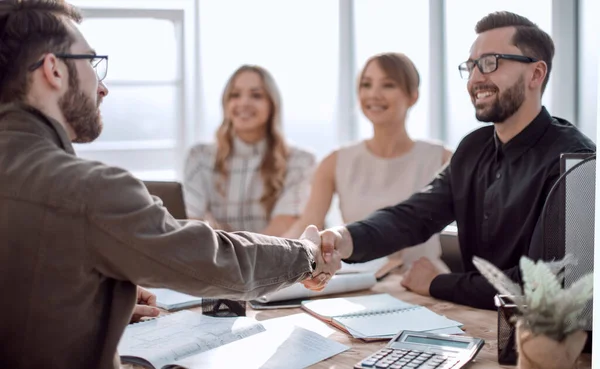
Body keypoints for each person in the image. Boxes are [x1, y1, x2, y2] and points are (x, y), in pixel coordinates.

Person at [0, 2, 340, 369]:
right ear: (53, 70)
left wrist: (93, 306)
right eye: (91, 63)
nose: (103, 87)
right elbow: (214, 259)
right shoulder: (89, 190)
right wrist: (306, 253)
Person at [314, 11, 595, 310]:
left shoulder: (576, 163)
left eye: (490, 63)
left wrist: (436, 282)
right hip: (477, 323)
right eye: (471, 66)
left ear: (535, 74)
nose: (475, 78)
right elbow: (413, 216)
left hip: (544, 346)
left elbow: (542, 286)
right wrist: (343, 238)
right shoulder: (473, 148)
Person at [285, 52, 452, 273]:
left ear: (413, 96)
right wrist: (266, 255)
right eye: (366, 84)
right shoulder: (335, 162)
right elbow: (307, 227)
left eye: (388, 85)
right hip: (359, 284)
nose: (374, 94)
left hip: (426, 283)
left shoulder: (443, 158)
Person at [183, 65, 316, 236]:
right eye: (235, 95)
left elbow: (281, 230)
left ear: (272, 105)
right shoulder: (199, 157)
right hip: (216, 260)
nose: (243, 103)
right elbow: (191, 223)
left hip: (274, 259)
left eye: (256, 95)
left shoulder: (301, 161)